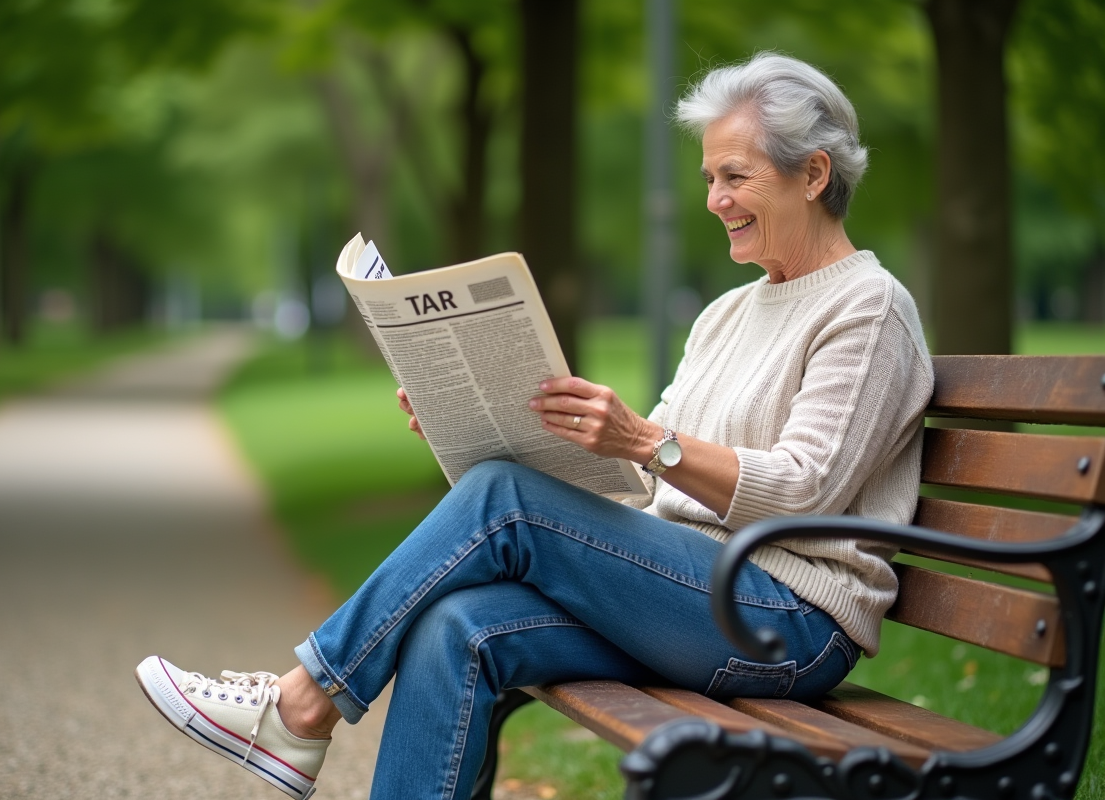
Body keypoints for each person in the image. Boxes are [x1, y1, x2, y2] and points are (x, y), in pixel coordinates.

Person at [135, 52, 933, 800]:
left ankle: (302, 705)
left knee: (503, 500)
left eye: (736, 176)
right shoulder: (728, 313)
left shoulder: (869, 308)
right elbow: (641, 479)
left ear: (814, 175)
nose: (716, 199)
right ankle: (302, 712)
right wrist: (468, 417)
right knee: (456, 627)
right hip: (691, 594)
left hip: (786, 619)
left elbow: (807, 489)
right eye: (709, 177)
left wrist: (647, 442)